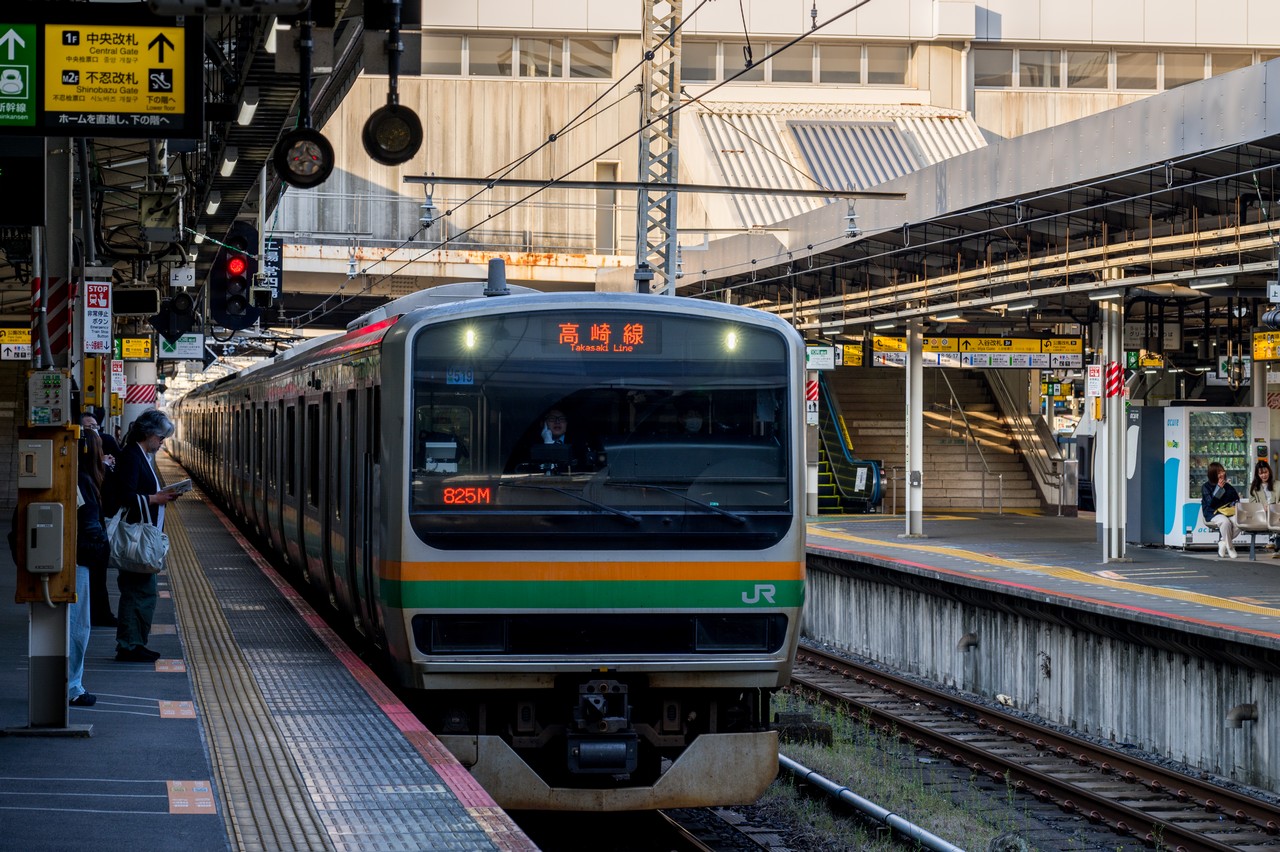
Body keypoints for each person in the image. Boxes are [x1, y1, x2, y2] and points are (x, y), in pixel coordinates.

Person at [106, 409, 180, 662]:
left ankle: (134, 642)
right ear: (149, 433)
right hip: (136, 540)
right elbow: (124, 496)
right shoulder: (131, 456)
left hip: (142, 537)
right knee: (139, 592)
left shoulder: (140, 455)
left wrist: (162, 496)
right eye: (161, 437)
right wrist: (156, 498)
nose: (162, 443)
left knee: (141, 591)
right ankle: (129, 644)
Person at [70, 431, 111, 707]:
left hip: (74, 560)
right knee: (77, 627)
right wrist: (100, 549)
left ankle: (72, 684)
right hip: (78, 563)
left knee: (76, 626)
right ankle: (73, 686)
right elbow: (90, 525)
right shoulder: (83, 482)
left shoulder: (76, 479)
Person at [80, 411, 117, 626]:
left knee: (97, 581)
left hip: (93, 540)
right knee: (93, 580)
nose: (93, 431)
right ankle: (98, 615)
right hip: (91, 543)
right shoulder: (85, 478)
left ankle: (100, 614)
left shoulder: (90, 474)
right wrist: (102, 540)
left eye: (95, 426)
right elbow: (89, 516)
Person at [1201, 461, 1241, 559]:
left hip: (1227, 512)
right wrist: (1219, 488)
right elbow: (1211, 504)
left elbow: (1236, 499)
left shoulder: (1228, 486)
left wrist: (1233, 504)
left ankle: (1223, 542)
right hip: (1213, 513)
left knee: (1239, 521)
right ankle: (1230, 547)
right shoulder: (1206, 487)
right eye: (1218, 473)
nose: (1222, 474)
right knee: (1225, 522)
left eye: (1222, 471)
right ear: (1213, 475)